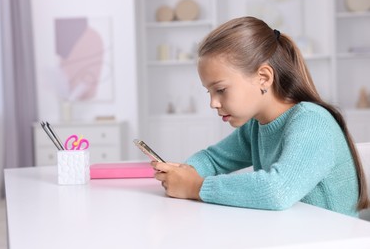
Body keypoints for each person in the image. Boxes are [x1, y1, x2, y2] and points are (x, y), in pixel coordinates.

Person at [151, 16, 369, 217]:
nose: (213, 103)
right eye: (209, 92)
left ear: (263, 77)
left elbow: (277, 190)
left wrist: (195, 187)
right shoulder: (256, 126)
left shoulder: (312, 122)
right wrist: (180, 174)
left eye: (221, 90)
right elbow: (213, 159)